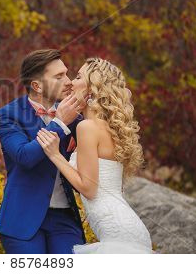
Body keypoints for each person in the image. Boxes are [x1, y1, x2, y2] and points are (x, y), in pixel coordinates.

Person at [36, 57, 154, 253]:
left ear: (92, 89)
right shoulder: (109, 128)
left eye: (78, 77)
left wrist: (55, 154)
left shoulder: (87, 127)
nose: (71, 82)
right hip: (129, 228)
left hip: (117, 234)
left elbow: (89, 189)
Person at [0, 49, 89, 253]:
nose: (69, 81)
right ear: (37, 86)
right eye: (58, 77)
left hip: (65, 219)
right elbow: (24, 156)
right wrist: (59, 122)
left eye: (66, 73)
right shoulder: (8, 115)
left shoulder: (77, 117)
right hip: (22, 219)